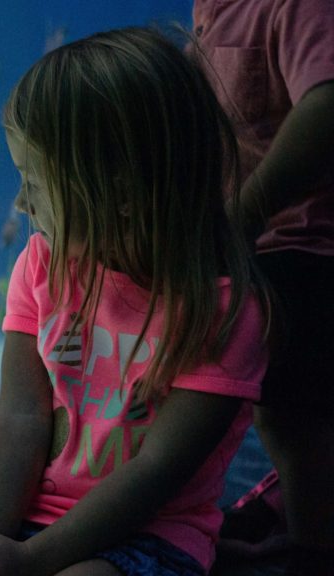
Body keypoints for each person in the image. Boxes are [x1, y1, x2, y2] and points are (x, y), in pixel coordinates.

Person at [0, 27, 270, 576]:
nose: (19, 203)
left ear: (121, 195)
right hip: (20, 509)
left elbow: (157, 472)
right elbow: (19, 415)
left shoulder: (223, 314)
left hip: (145, 530)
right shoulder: (42, 266)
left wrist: (34, 560)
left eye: (34, 184)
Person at [190, 1, 334, 573]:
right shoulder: (210, 6)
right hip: (254, 243)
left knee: (290, 411)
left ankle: (313, 547)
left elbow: (325, 107)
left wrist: (245, 214)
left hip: (305, 244)